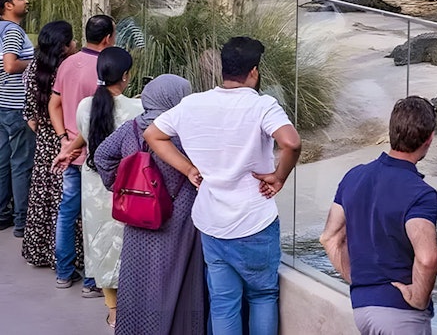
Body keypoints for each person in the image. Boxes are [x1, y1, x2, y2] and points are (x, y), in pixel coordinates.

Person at [144, 36, 301, 335]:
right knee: (262, 295)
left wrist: (189, 168)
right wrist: (279, 177)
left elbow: (153, 135)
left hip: (212, 222)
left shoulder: (192, 104)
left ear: (223, 69)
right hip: (255, 221)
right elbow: (291, 142)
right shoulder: (263, 105)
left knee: (222, 302)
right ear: (254, 71)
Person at [94, 74, 206, 334]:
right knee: (179, 278)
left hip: (139, 216)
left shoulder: (132, 128)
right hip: (180, 217)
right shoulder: (184, 130)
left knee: (139, 279)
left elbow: (102, 156)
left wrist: (122, 186)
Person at [319, 96, 437, 335]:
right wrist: (418, 298)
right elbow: (428, 258)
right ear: (430, 139)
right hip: (400, 313)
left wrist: (360, 280)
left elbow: (329, 237)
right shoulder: (420, 193)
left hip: (362, 308)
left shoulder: (354, 177)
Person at [54, 47, 142, 328]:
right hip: (126, 185)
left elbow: (87, 133)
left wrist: (69, 149)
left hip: (94, 185)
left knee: (100, 245)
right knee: (125, 245)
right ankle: (131, 305)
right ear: (126, 77)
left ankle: (113, 310)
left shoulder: (85, 106)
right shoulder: (136, 110)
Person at [50, 14, 115, 296]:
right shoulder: (104, 67)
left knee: (67, 212)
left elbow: (54, 104)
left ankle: (63, 273)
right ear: (108, 38)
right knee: (96, 217)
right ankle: (92, 281)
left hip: (70, 152)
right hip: (93, 155)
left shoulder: (67, 63)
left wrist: (64, 139)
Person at [21, 20, 78, 267]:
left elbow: (30, 114)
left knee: (43, 195)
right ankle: (66, 257)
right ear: (64, 46)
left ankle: (39, 250)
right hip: (69, 141)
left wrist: (45, 132)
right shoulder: (70, 69)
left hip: (45, 139)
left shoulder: (34, 68)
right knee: (66, 199)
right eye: (72, 39)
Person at [0, 0, 35, 238]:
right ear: (8, 6)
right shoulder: (12, 31)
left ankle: (3, 215)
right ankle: (22, 220)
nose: (26, 1)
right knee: (21, 162)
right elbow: (11, 65)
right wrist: (37, 61)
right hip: (16, 106)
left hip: (2, 104)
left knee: (2, 161)